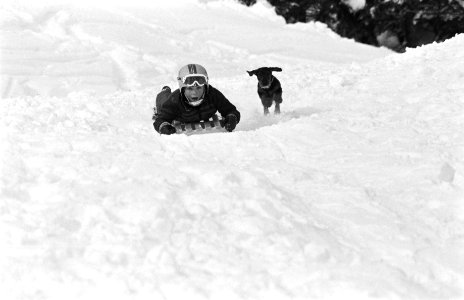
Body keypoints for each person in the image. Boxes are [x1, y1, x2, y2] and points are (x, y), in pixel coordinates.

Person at [153, 64, 240, 135]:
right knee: (163, 100)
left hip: (200, 115)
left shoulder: (213, 94)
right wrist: (163, 126)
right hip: (179, 115)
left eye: (198, 88)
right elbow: (160, 120)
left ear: (205, 87)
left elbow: (231, 110)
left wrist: (232, 118)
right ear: (182, 88)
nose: (194, 93)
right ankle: (165, 90)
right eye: (190, 89)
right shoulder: (175, 100)